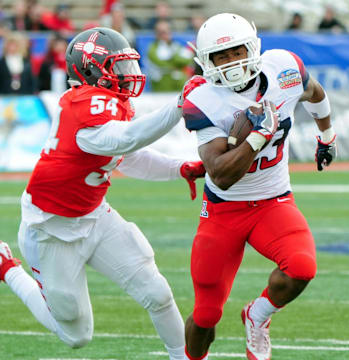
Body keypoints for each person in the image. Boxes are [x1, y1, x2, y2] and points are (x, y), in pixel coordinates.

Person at [0, 27, 205, 360]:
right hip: (51, 229)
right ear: (93, 69)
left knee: (157, 292)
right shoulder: (82, 105)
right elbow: (124, 140)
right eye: (118, 67)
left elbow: (129, 157)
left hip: (94, 216)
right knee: (76, 335)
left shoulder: (113, 104)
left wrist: (179, 168)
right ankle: (7, 268)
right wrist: (179, 105)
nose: (127, 76)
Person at [180, 13, 337, 360]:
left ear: (252, 48)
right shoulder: (203, 98)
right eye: (220, 57)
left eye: (236, 52)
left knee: (301, 267)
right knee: (206, 315)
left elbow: (315, 92)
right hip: (224, 211)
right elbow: (220, 174)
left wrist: (326, 135)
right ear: (206, 61)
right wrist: (256, 138)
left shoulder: (283, 67)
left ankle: (257, 315)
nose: (230, 62)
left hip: (273, 201)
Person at [147, 20, 193, 92]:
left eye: (167, 32)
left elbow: (186, 60)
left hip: (178, 86)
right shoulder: (152, 48)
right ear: (156, 34)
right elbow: (158, 62)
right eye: (162, 32)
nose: (165, 35)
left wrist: (172, 57)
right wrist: (176, 64)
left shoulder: (176, 45)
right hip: (161, 86)